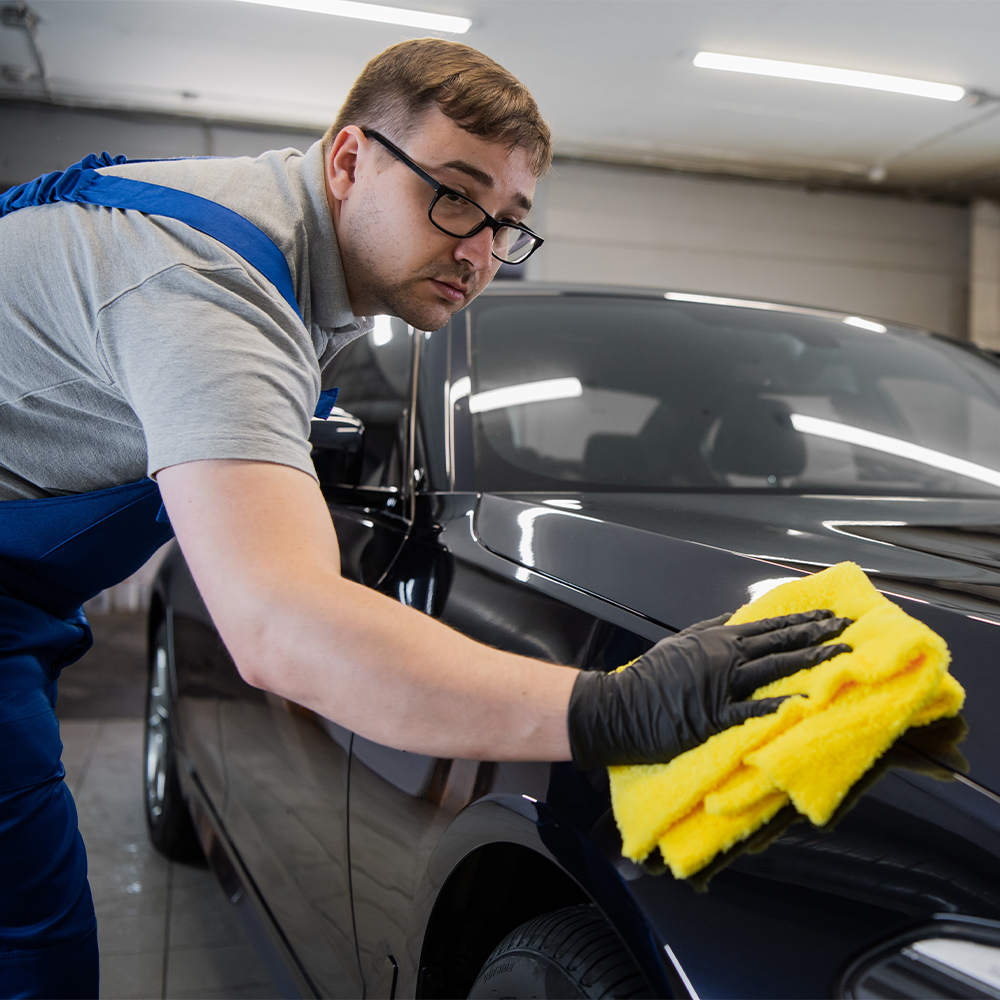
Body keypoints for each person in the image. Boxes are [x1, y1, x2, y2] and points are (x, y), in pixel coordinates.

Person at [0, 38, 851, 997]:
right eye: (453, 192)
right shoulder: (211, 289)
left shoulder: (274, 251)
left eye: (507, 223)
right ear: (350, 159)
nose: (478, 249)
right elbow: (280, 624)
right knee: (29, 952)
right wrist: (611, 706)